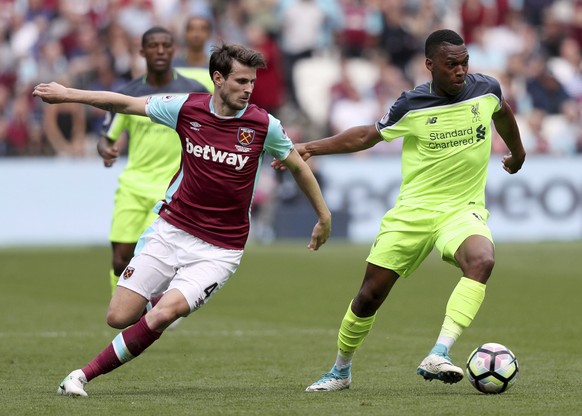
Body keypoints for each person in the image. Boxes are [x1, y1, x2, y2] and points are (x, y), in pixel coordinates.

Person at [33, 43, 331, 397]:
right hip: (170, 230)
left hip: (220, 250)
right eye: (241, 81)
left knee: (162, 316)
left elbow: (297, 164)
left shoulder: (263, 125)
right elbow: (123, 103)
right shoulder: (185, 108)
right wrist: (68, 94)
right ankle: (162, 299)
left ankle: (80, 376)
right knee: (118, 316)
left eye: (252, 81)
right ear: (218, 79)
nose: (249, 89)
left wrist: (323, 216)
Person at [277, 29, 526, 392]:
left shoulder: (486, 89)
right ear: (430, 65)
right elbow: (366, 136)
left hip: (462, 211)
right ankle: (340, 371)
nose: (460, 71)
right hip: (413, 212)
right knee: (368, 297)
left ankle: (439, 351)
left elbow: (502, 113)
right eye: (451, 64)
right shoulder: (411, 105)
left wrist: (517, 153)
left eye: (464, 63)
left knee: (482, 260)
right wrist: (312, 147)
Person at [98, 26, 208, 295]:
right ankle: (124, 312)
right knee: (120, 260)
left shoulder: (193, 92)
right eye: (153, 46)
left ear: (174, 50)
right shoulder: (128, 93)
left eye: (165, 45)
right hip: (133, 188)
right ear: (142, 52)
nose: (160, 51)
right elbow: (106, 137)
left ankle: (151, 313)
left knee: (151, 260)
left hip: (171, 191)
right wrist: (106, 150)